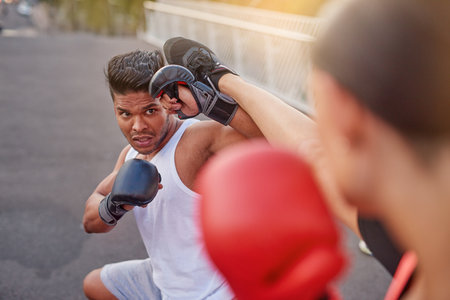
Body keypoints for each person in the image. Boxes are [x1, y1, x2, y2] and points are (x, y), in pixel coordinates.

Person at [161, 0, 450, 298]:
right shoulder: (419, 227)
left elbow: (318, 152)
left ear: (346, 114)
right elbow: (315, 152)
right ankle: (217, 78)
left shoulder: (404, 242)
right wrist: (219, 89)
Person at [81, 49, 262, 300]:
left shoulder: (198, 140)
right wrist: (113, 205)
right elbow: (90, 222)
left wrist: (213, 103)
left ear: (167, 102)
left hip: (212, 290)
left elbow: (275, 138)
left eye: (150, 111)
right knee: (96, 284)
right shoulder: (129, 157)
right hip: (165, 281)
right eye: (125, 114)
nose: (138, 126)